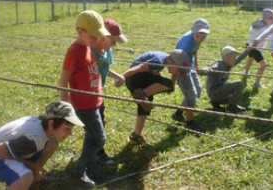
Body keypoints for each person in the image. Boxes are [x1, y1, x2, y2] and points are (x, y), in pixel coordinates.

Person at [0, 101, 84, 190]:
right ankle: (24, 181)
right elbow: (0, 150)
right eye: (67, 129)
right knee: (26, 177)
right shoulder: (35, 138)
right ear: (51, 124)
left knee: (52, 143)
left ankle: (33, 180)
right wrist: (33, 167)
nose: (70, 134)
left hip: (5, 152)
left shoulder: (42, 125)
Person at [59, 10, 110, 186]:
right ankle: (78, 171)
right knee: (99, 139)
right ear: (80, 32)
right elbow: (63, 81)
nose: (97, 40)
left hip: (95, 102)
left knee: (91, 136)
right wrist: (65, 106)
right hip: (84, 106)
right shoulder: (74, 51)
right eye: (93, 36)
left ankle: (88, 162)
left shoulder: (88, 47)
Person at [122, 49, 189, 145]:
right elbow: (140, 67)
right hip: (133, 78)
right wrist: (121, 77)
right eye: (177, 69)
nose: (177, 72)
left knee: (145, 105)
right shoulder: (158, 61)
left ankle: (136, 135)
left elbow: (154, 72)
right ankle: (142, 93)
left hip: (139, 79)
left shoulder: (163, 61)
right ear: (172, 61)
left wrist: (162, 84)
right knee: (169, 84)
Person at [91, 18, 128, 165]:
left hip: (99, 92)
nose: (114, 44)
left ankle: (95, 150)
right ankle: (97, 152)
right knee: (95, 123)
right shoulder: (91, 51)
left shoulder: (107, 51)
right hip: (89, 94)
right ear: (103, 36)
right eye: (113, 41)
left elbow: (105, 68)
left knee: (100, 121)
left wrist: (118, 76)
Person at [171, 18, 210, 129]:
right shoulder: (185, 44)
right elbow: (177, 61)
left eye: (204, 35)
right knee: (191, 96)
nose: (201, 38)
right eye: (199, 35)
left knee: (197, 90)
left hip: (189, 65)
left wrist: (196, 66)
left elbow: (195, 50)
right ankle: (190, 123)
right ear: (193, 31)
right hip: (181, 69)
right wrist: (176, 78)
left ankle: (178, 114)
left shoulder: (197, 37)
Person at [198, 46, 248, 113]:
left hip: (218, 92)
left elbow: (239, 59)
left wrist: (248, 50)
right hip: (214, 92)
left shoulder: (228, 63)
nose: (235, 59)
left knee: (234, 98)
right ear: (226, 57)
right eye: (234, 57)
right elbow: (210, 69)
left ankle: (215, 103)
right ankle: (231, 108)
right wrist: (202, 71)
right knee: (239, 84)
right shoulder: (219, 65)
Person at [244, 9, 273, 90]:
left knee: (250, 59)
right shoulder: (263, 28)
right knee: (263, 64)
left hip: (249, 45)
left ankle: (246, 72)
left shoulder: (258, 23)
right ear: (266, 18)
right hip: (255, 48)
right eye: (272, 18)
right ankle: (257, 83)